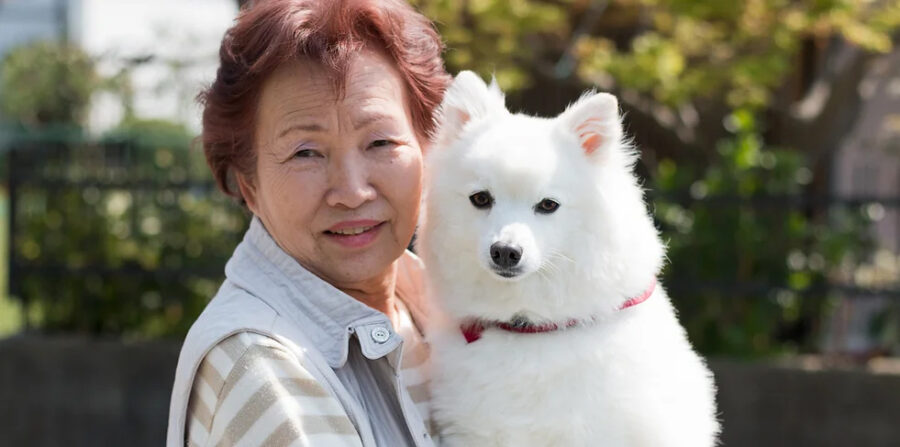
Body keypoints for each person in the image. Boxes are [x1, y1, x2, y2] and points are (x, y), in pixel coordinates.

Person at [166, 0, 451, 445]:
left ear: (431, 149)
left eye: (380, 141)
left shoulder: (440, 311)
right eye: (305, 152)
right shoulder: (261, 367)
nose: (353, 191)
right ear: (250, 186)